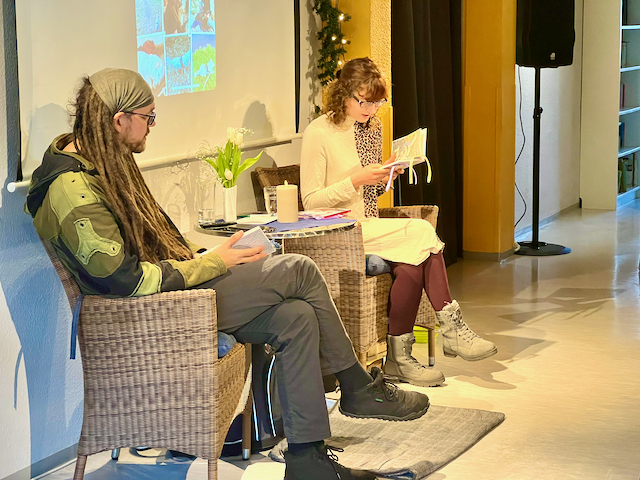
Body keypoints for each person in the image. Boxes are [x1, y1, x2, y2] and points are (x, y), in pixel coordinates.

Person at [26, 68, 431, 480]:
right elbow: (125, 281)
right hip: (146, 316)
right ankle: (357, 387)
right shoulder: (71, 188)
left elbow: (148, 251)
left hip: (167, 299)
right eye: (148, 118)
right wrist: (215, 261)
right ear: (119, 120)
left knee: (295, 316)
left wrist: (209, 256)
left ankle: (307, 461)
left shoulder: (100, 162)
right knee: (299, 268)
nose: (151, 127)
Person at [300, 57, 497, 388]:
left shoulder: (370, 127)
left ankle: (398, 361)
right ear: (344, 93)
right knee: (421, 231)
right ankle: (452, 329)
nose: (371, 109)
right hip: (338, 233)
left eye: (377, 103)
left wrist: (387, 174)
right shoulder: (319, 132)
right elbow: (311, 202)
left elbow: (369, 192)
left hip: (367, 225)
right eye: (365, 102)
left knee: (411, 264)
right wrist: (356, 179)